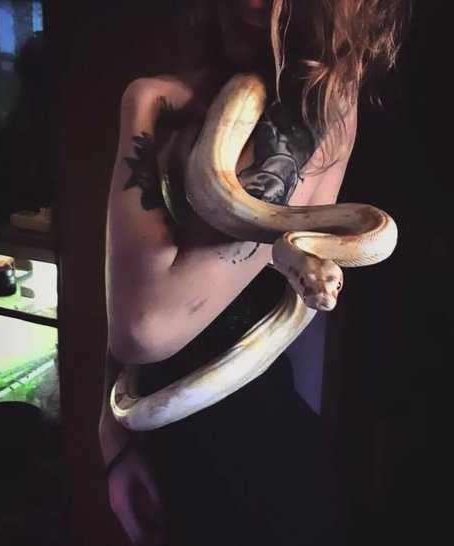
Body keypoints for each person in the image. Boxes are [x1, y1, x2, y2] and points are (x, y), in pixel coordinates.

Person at [99, 1, 408, 544]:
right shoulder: (227, 88)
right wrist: (116, 436)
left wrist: (138, 105)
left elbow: (143, 326)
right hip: (175, 446)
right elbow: (128, 291)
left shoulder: (308, 108)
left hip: (249, 476)